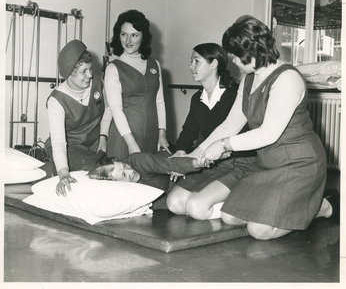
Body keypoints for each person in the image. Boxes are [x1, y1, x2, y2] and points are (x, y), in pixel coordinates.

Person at [180, 15, 339, 239]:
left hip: (298, 163)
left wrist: (223, 145)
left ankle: (323, 205)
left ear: (252, 52)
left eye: (236, 56)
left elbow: (269, 133)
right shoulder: (248, 79)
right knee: (231, 217)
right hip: (267, 162)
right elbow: (229, 126)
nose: (233, 62)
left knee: (259, 230)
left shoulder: (287, 78)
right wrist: (195, 155)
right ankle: (300, 206)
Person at [167, 43, 256, 216]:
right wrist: (180, 151)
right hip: (210, 163)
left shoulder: (233, 96)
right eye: (191, 61)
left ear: (213, 64)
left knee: (195, 208)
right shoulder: (196, 99)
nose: (191, 66)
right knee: (175, 203)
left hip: (239, 163)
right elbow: (188, 132)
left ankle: (235, 209)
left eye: (196, 61)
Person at [44, 40, 112, 197]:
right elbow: (59, 143)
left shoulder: (97, 83)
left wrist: (103, 137)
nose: (90, 75)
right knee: (98, 169)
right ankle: (53, 169)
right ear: (69, 73)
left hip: (96, 142)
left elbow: (108, 109)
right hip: (70, 147)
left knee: (120, 162)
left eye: (90, 69)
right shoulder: (56, 100)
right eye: (84, 71)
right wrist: (64, 174)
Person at [104, 10, 170, 161]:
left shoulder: (155, 65)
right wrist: (131, 144)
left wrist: (162, 133)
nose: (128, 40)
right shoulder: (113, 68)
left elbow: (159, 102)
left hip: (151, 138)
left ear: (143, 37)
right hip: (124, 139)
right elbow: (116, 110)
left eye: (134, 35)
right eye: (123, 34)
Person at [87, 151, 202, 191]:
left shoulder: (138, 161)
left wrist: (197, 163)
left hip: (190, 170)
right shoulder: (124, 193)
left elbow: (170, 164)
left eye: (125, 166)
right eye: (123, 175)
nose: (130, 172)